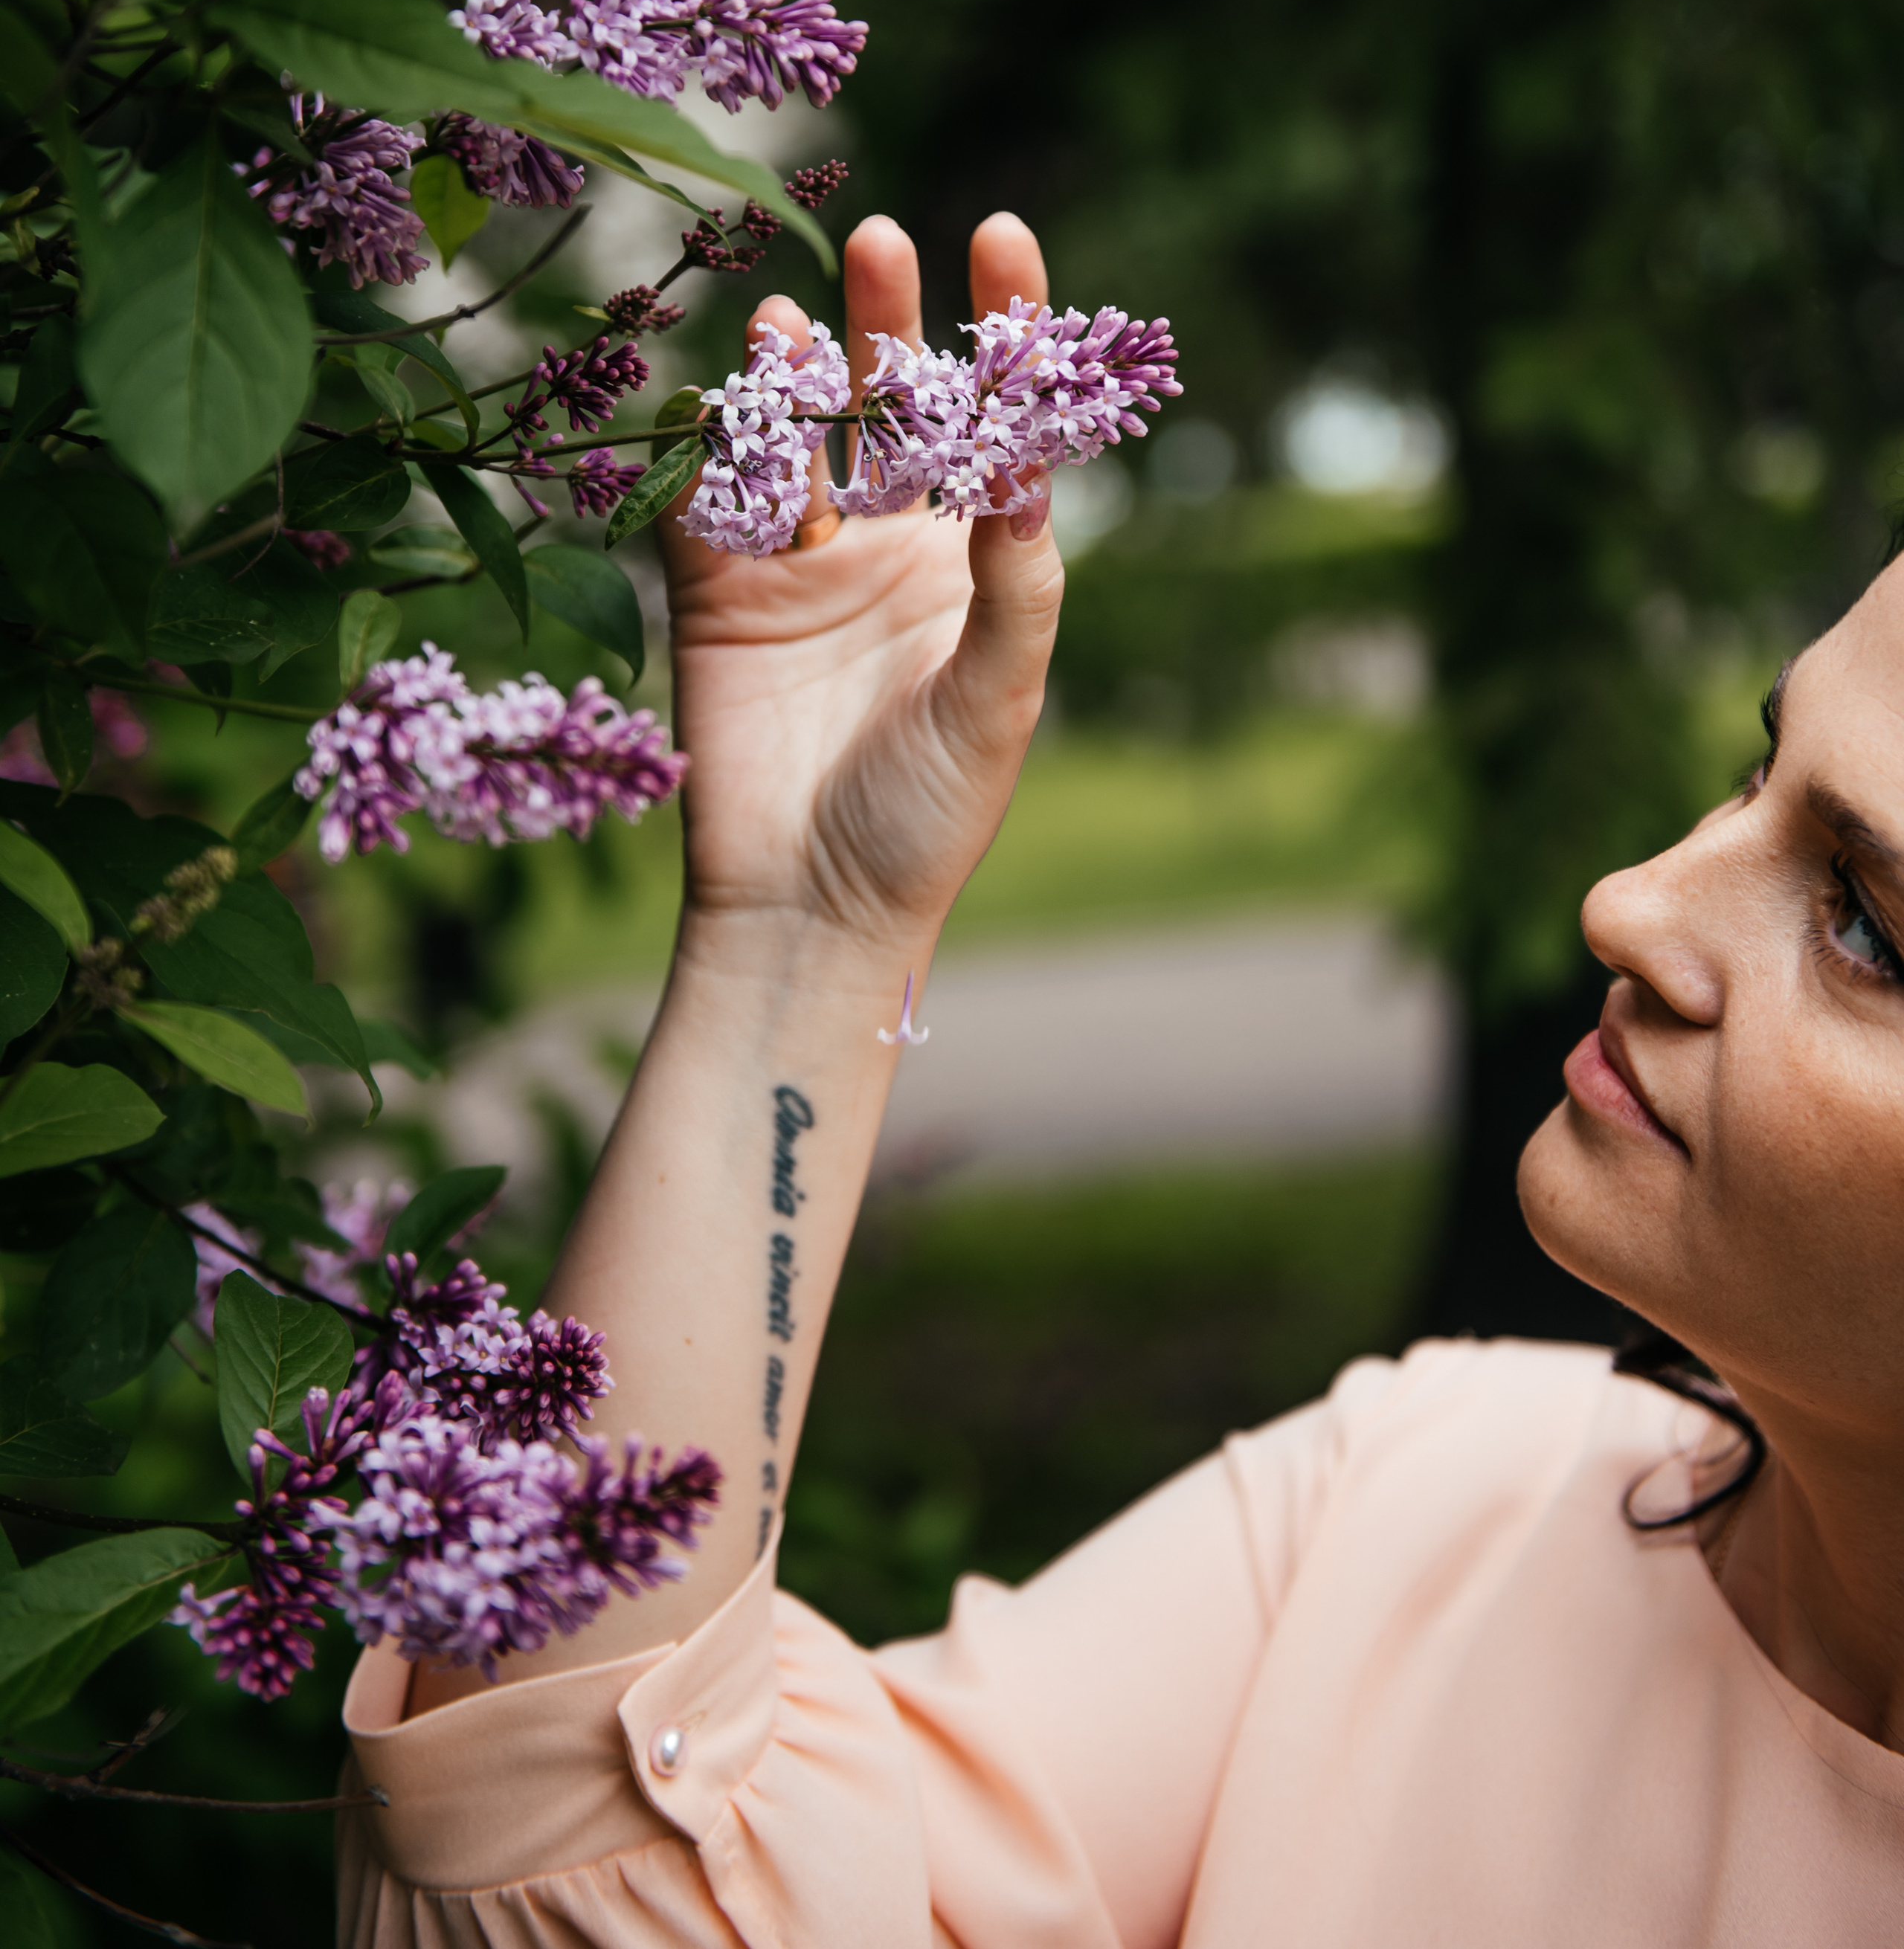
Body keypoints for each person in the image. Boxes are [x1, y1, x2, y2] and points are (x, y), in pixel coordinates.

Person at [337, 212, 1904, 1946]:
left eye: (1866, 929)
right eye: (1752, 771)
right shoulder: (1412, 1506)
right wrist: (804, 939)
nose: (1627, 903)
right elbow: (565, 1874)